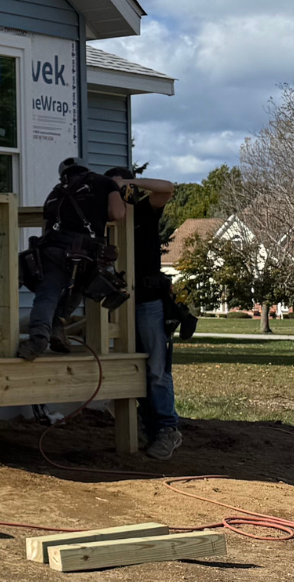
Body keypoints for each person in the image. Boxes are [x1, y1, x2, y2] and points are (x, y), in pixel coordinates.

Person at [106, 167, 183, 460]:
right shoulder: (106, 225)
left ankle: (166, 429)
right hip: (119, 303)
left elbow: (166, 187)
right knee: (128, 366)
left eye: (122, 192)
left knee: (156, 369)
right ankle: (139, 423)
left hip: (150, 302)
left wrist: (128, 182)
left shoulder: (144, 214)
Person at [21, 158, 127, 362]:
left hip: (52, 250)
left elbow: (45, 228)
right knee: (81, 285)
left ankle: (38, 340)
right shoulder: (105, 182)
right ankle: (58, 321)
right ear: (87, 168)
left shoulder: (55, 192)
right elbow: (117, 213)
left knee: (47, 295)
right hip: (86, 252)